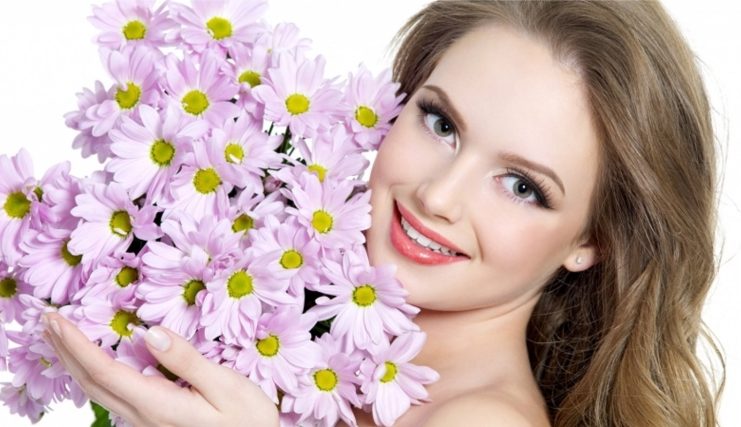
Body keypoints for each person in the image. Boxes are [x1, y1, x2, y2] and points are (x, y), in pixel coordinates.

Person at [41, 1, 724, 426]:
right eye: (440, 123)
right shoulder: (298, 324)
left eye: (521, 186)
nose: (437, 196)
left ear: (592, 240)